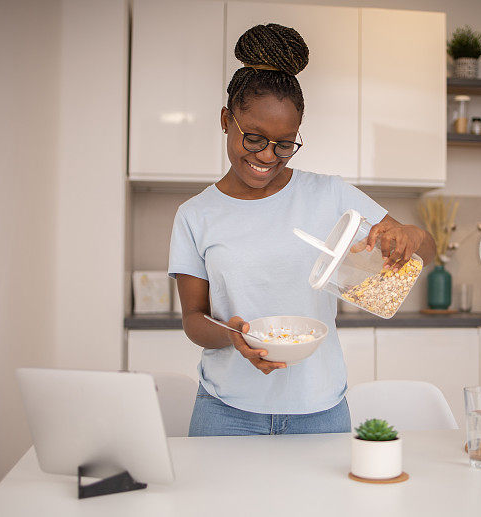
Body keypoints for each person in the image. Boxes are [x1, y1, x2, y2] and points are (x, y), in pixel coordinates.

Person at [169, 23, 435, 436]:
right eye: (254, 138)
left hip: (321, 409)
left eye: (285, 144)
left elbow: (421, 254)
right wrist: (234, 336)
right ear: (226, 120)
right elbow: (193, 319)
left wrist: (413, 237)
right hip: (225, 412)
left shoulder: (329, 194)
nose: (267, 156)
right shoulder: (195, 214)